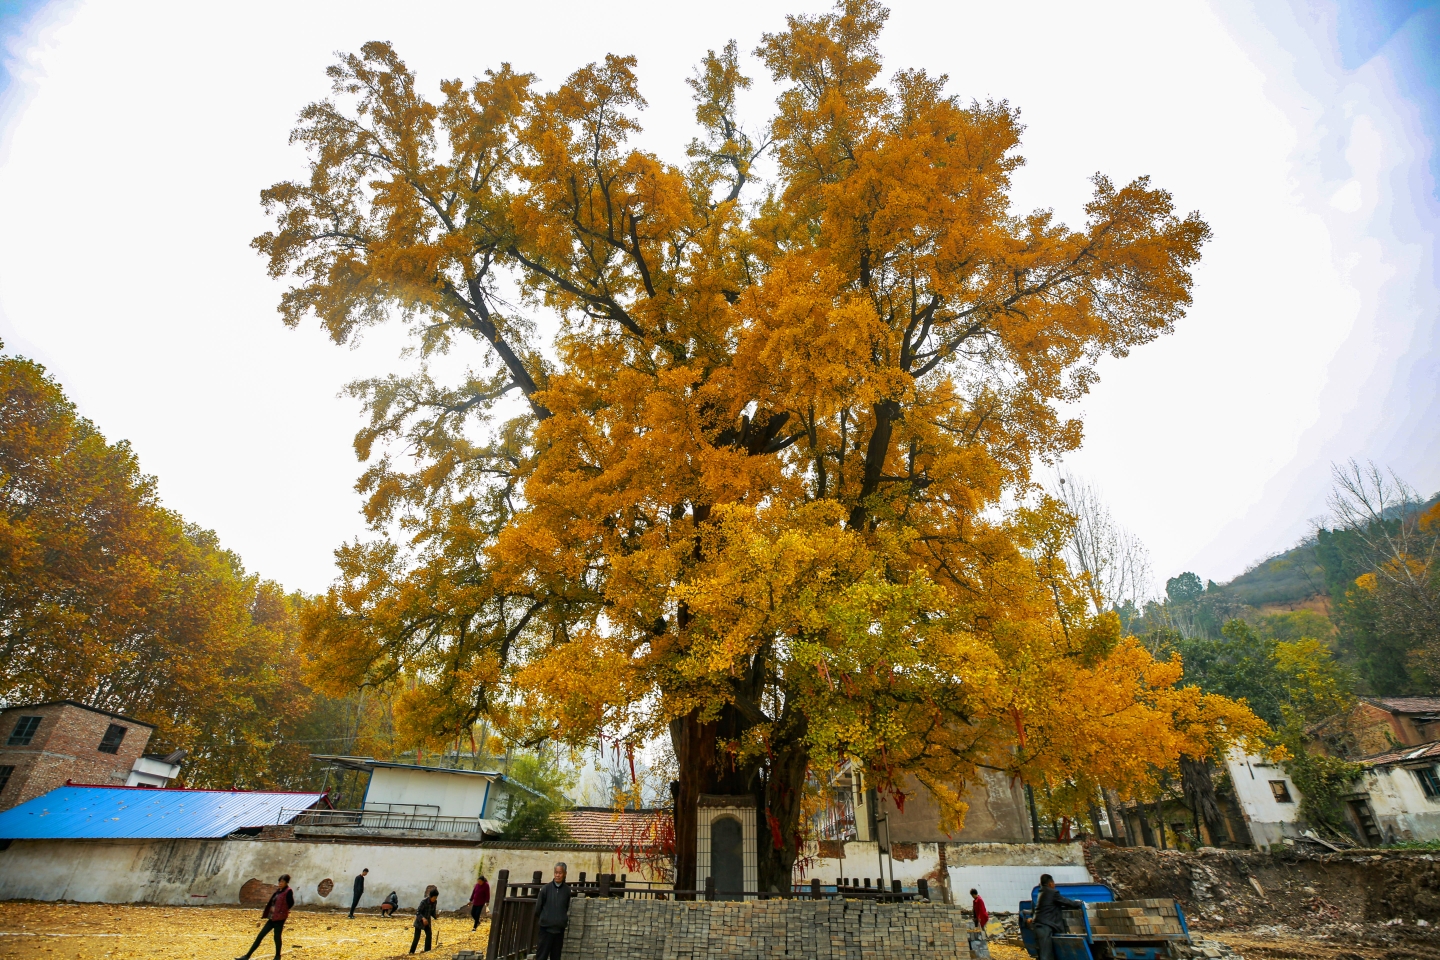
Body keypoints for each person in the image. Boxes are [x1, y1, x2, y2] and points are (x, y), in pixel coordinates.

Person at [235, 874, 293, 960]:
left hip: (280, 918)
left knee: (277, 937)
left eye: (282, 882)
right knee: (260, 936)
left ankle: (277, 956)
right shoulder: (278, 891)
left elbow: (290, 903)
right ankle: (247, 955)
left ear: (286, 883)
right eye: (280, 881)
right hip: (272, 917)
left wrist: (282, 911)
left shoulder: (288, 891)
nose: (280, 883)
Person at [1032, 873, 1083, 960]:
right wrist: (1079, 904)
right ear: (1051, 883)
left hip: (1041, 925)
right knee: (1046, 955)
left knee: (1044, 953)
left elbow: (1054, 904)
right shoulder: (1052, 892)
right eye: (1054, 883)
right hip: (1044, 926)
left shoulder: (1041, 892)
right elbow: (1065, 901)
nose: (1054, 885)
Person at [533, 862, 572, 960]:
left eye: (560, 873)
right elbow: (538, 908)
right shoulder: (545, 889)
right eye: (556, 872)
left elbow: (565, 907)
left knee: (556, 956)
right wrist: (546, 918)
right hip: (546, 929)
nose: (557, 875)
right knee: (541, 956)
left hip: (559, 930)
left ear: (565, 874)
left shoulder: (567, 890)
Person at [410, 884, 439, 954]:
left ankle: (427, 951)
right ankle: (411, 952)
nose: (435, 899)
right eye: (434, 897)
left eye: (436, 897)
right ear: (431, 896)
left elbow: (432, 912)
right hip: (419, 921)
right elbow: (418, 912)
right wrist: (423, 919)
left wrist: (436, 916)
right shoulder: (424, 902)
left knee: (429, 935)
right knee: (417, 937)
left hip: (427, 922)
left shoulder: (434, 902)